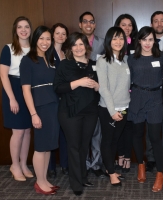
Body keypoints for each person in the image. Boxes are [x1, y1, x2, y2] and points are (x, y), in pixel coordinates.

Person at [53, 32, 99, 196]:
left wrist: (97, 87)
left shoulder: (93, 64)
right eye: (75, 44)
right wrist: (78, 82)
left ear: (86, 46)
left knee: (84, 146)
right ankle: (76, 183)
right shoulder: (65, 65)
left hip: (90, 112)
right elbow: (58, 87)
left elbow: (99, 90)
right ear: (70, 48)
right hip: (70, 112)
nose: (79, 48)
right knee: (73, 147)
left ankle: (83, 176)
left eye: (81, 44)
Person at [20, 25, 59, 195]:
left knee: (49, 145)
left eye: (48, 39)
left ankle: (44, 178)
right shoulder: (28, 60)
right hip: (40, 107)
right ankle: (39, 182)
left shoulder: (50, 59)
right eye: (41, 38)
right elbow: (26, 90)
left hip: (54, 105)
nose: (45, 42)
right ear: (35, 39)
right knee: (40, 146)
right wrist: (33, 114)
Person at [128, 26, 163, 192]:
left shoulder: (162, 57)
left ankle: (159, 172)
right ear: (139, 41)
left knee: (155, 137)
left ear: (154, 41)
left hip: (155, 99)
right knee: (137, 134)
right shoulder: (131, 59)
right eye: (144, 39)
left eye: (151, 39)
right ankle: (141, 165)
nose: (147, 43)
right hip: (136, 98)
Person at [0, 16, 33, 182]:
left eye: (26, 27)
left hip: (29, 91)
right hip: (13, 91)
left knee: (27, 130)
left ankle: (24, 164)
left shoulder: (34, 49)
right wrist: (12, 98)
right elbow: (3, 75)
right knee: (18, 131)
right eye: (20, 27)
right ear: (15, 30)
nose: (23, 30)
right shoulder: (9, 48)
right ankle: (14, 165)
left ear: (30, 30)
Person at [96, 27, 130, 187]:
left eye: (121, 38)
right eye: (115, 38)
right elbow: (103, 88)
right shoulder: (103, 60)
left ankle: (110, 168)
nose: (118, 42)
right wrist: (112, 111)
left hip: (124, 108)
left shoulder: (124, 60)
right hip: (109, 109)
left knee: (115, 141)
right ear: (109, 41)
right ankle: (111, 172)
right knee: (108, 141)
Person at [146, 10, 163, 174]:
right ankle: (150, 159)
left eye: (162, 20)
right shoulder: (145, 42)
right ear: (151, 24)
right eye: (155, 21)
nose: (159, 24)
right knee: (151, 128)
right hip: (150, 94)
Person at [79, 11, 105, 178]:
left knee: (97, 132)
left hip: (97, 91)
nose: (88, 24)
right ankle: (83, 164)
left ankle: (95, 165)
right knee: (82, 132)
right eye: (85, 21)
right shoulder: (74, 42)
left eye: (91, 21)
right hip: (79, 93)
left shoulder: (102, 43)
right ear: (80, 24)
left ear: (95, 24)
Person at [113, 13, 138, 173]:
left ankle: (127, 156)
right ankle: (120, 155)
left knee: (129, 127)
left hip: (134, 95)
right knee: (119, 126)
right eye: (123, 24)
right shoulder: (113, 45)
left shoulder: (139, 44)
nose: (127, 28)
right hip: (119, 95)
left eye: (130, 25)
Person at [47, 23, 69, 179]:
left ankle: (65, 165)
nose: (60, 36)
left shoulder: (66, 53)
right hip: (51, 98)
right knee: (51, 133)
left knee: (65, 133)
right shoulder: (47, 53)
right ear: (52, 35)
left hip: (65, 98)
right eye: (57, 33)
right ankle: (50, 167)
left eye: (63, 33)